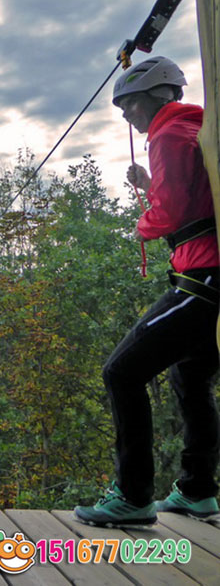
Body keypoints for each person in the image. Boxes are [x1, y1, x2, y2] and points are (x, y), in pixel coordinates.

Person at [74, 56, 220, 526]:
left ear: (155, 97)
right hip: (211, 275)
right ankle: (197, 490)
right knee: (189, 378)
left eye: (128, 104)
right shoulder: (194, 130)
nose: (125, 115)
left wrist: (143, 223)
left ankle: (134, 496)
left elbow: (171, 215)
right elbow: (192, 196)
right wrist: (153, 184)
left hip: (203, 279)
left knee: (121, 371)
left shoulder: (169, 135)